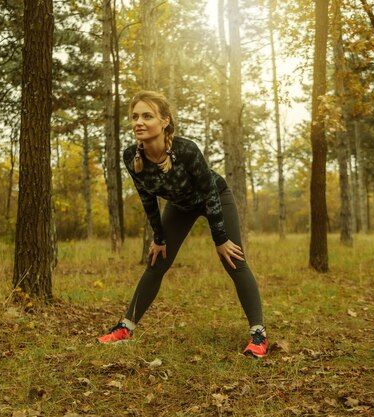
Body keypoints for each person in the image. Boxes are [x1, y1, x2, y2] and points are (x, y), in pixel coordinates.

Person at [97, 90, 268, 358]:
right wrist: (160, 237)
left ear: (164, 121)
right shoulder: (132, 156)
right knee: (156, 261)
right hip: (180, 206)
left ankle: (258, 334)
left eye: (147, 116)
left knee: (234, 259)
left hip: (214, 197)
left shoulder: (186, 149)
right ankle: (125, 327)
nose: (138, 122)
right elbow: (147, 198)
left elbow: (209, 193)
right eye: (135, 117)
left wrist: (220, 238)